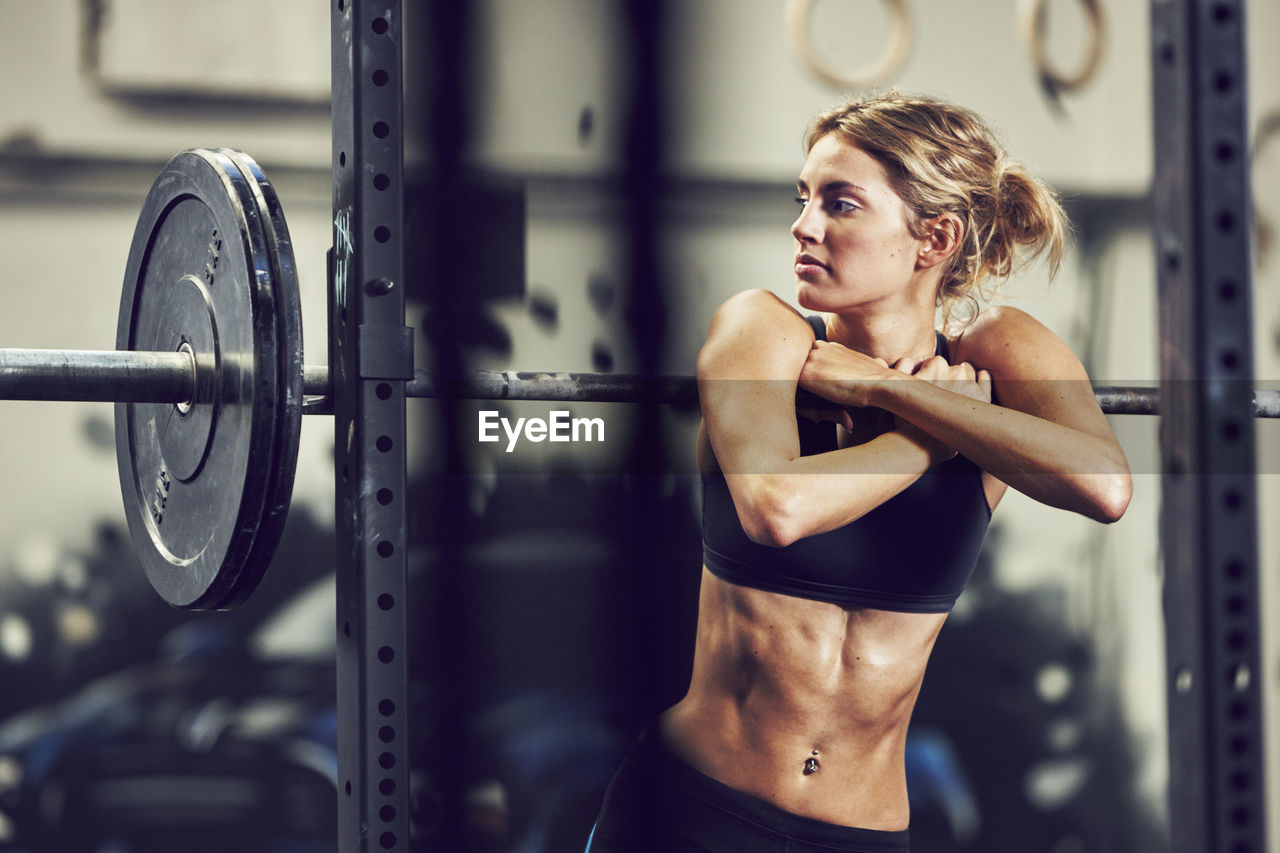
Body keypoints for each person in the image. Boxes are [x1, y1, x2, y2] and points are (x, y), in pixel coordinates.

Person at [586, 91, 1132, 852]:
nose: (803, 225)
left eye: (840, 203)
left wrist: (887, 388)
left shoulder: (994, 350)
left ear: (933, 237)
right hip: (692, 811)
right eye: (804, 198)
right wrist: (926, 439)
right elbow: (774, 507)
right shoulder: (765, 331)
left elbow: (1105, 487)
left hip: (859, 833)